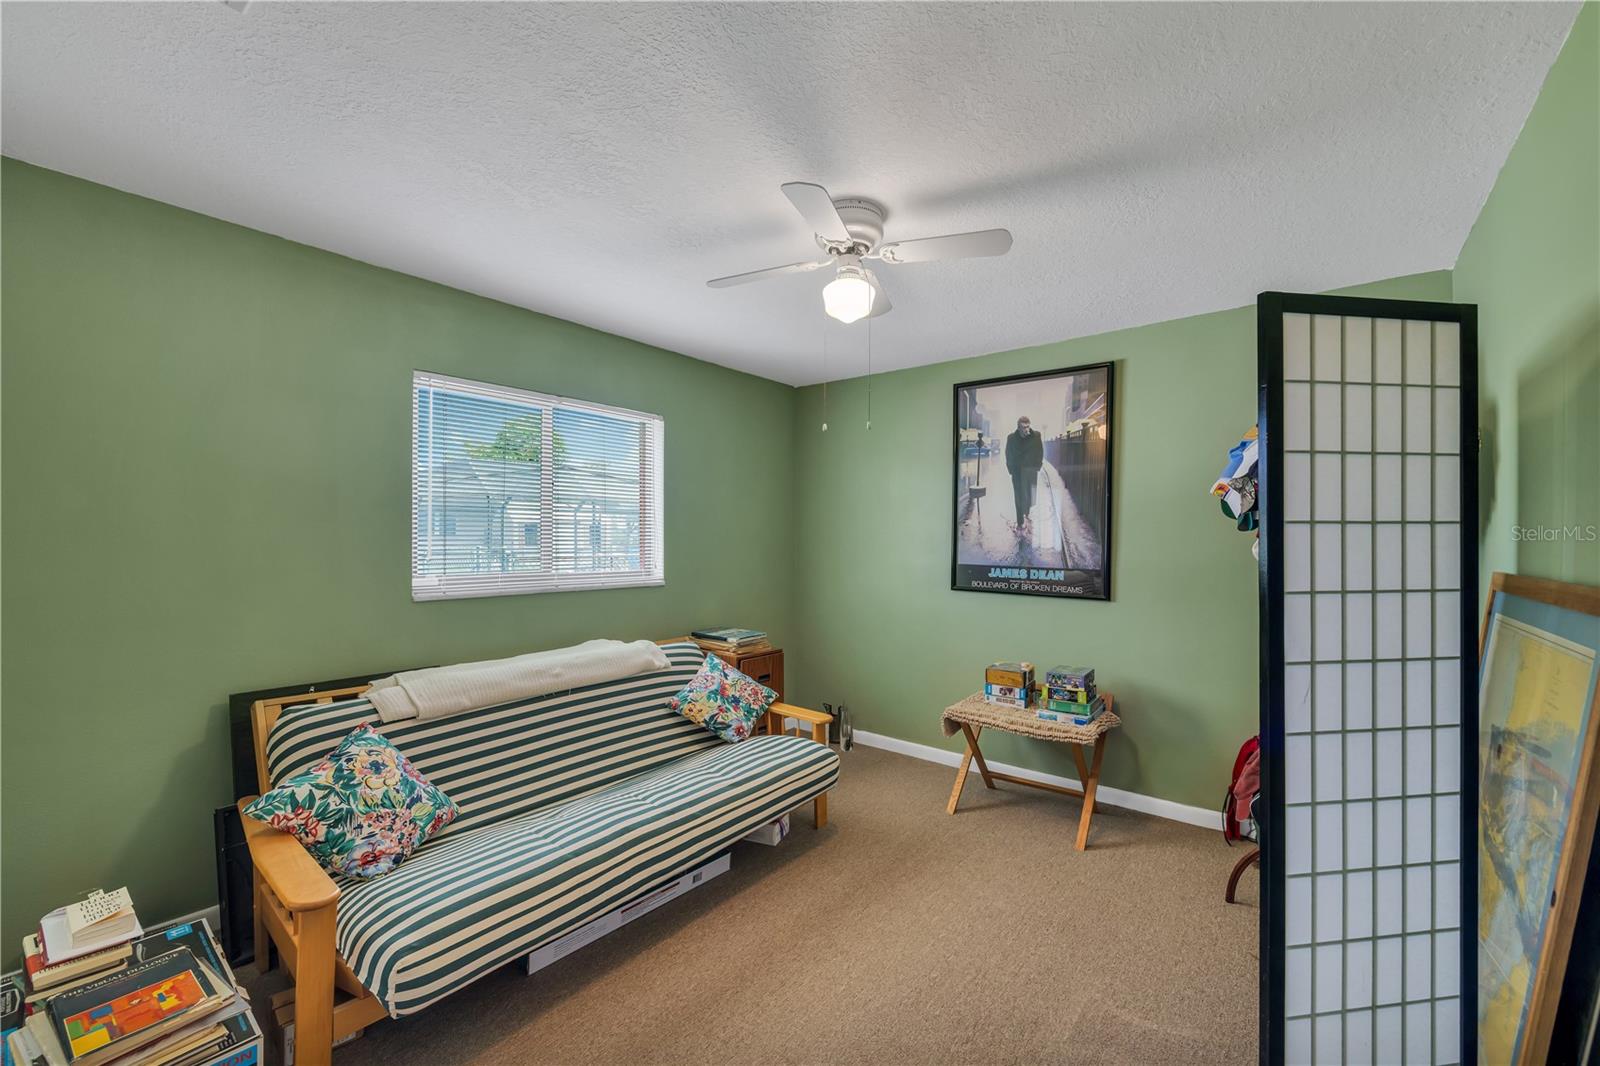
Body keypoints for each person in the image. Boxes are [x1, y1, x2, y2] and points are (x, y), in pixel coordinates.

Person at [1004, 416, 1044, 533]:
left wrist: (1038, 466)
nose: (1026, 429)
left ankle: (1027, 512)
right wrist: (1011, 469)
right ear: (1018, 427)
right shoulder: (1011, 438)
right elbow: (1008, 454)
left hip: (1031, 470)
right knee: (1018, 496)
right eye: (1023, 427)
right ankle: (1020, 521)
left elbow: (1040, 451)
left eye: (1027, 427)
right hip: (1017, 472)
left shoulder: (1036, 436)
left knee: (1030, 496)